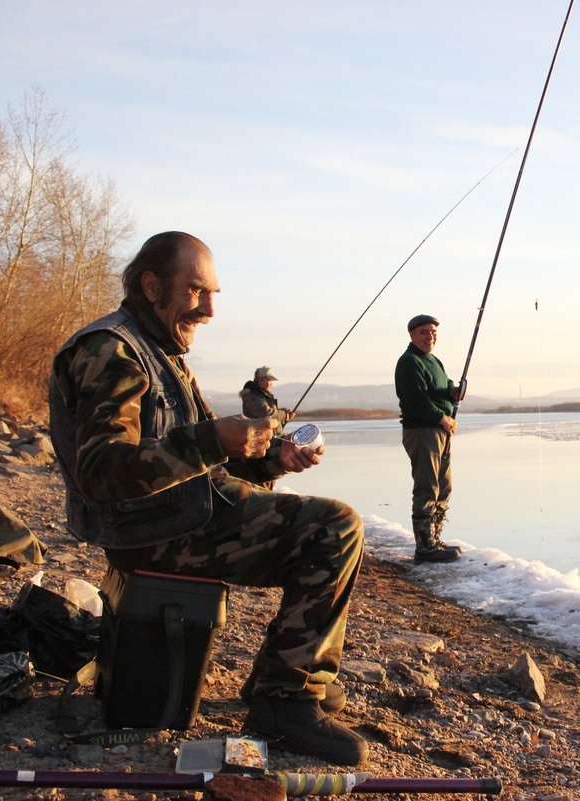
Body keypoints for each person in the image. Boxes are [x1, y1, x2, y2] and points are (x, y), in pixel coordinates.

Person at [48, 231, 367, 766]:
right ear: (152, 285)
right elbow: (102, 473)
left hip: (179, 515)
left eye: (213, 293)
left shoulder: (160, 351)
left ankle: (300, 671)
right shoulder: (112, 351)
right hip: (152, 534)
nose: (210, 309)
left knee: (325, 522)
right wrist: (212, 439)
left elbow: (194, 459)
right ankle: (283, 699)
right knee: (334, 527)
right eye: (197, 290)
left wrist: (269, 461)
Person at [394, 314, 464, 564]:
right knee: (427, 487)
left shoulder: (434, 361)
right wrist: (442, 418)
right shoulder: (409, 362)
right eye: (424, 332)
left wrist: (452, 392)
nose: (430, 336)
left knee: (444, 486)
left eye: (433, 332)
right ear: (412, 334)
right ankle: (424, 548)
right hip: (422, 432)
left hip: (440, 432)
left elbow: (442, 388)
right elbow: (416, 402)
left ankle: (434, 539)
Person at [240, 366, 295, 435]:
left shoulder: (262, 395)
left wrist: (284, 412)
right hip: (263, 438)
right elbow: (267, 413)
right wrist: (284, 415)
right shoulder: (252, 396)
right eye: (269, 380)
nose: (271, 384)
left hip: (273, 436)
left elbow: (272, 412)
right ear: (260, 380)